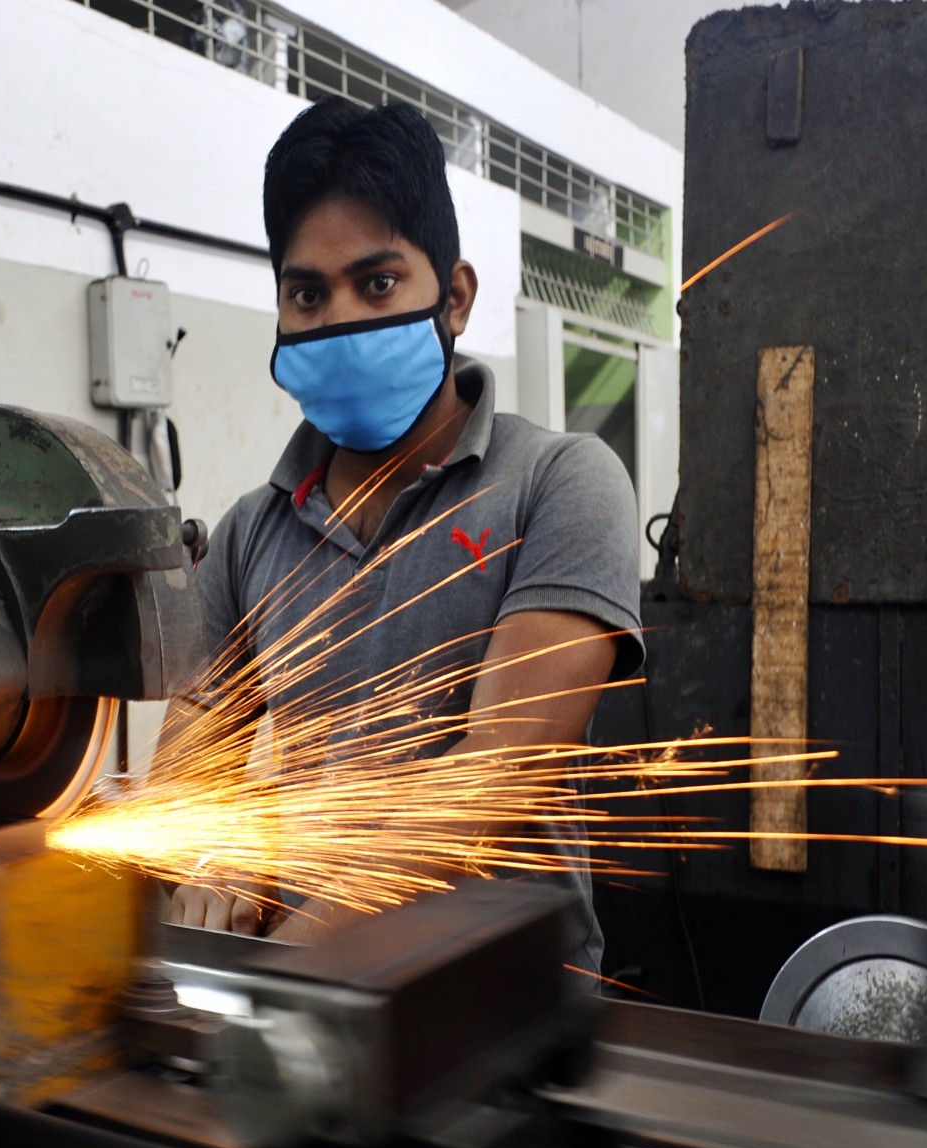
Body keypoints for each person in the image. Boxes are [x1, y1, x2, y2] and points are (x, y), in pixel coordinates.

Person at [166, 97, 643, 976]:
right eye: (307, 293)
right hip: (311, 1020)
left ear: (453, 297)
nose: (339, 319)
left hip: (509, 1014)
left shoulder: (560, 484)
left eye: (377, 283)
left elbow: (491, 777)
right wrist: (215, 849)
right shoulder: (245, 538)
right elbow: (191, 756)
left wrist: (289, 967)